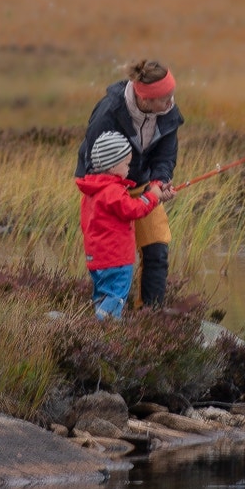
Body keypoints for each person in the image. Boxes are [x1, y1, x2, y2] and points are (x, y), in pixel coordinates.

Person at [75, 60, 183, 308]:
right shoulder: (108, 113)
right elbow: (94, 163)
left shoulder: (168, 112)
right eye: (165, 98)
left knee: (157, 248)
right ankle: (107, 315)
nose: (171, 102)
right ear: (145, 100)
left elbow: (166, 157)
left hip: (143, 186)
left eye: (171, 95)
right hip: (105, 190)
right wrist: (121, 194)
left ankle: (149, 317)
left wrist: (158, 184)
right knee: (112, 257)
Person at [77, 131, 175, 319]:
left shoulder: (92, 190)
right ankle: (106, 329)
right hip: (116, 259)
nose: (129, 169)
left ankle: (99, 326)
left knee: (102, 295)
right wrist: (153, 196)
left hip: (96, 258)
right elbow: (134, 210)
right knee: (116, 297)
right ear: (112, 165)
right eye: (126, 164)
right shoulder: (113, 191)